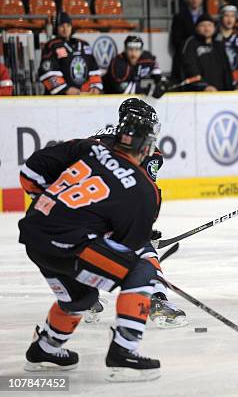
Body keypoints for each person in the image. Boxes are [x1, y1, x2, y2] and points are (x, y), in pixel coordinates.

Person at [18, 107, 162, 381]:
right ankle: (124, 350)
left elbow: (30, 173)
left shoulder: (88, 148)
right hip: (70, 245)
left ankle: (45, 349)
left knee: (82, 297)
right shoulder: (143, 190)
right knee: (142, 270)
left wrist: (53, 207)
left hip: (34, 234)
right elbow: (128, 246)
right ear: (146, 148)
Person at [87, 98, 187, 328]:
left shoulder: (96, 138)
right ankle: (157, 300)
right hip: (111, 211)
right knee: (144, 251)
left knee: (88, 249)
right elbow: (145, 192)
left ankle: (84, 297)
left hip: (76, 211)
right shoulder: (146, 148)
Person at [38, 12, 103, 95]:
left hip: (84, 97)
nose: (65, 29)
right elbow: (47, 71)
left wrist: (95, 87)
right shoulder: (51, 46)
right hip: (59, 100)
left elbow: (94, 70)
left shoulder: (84, 45)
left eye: (68, 26)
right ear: (56, 28)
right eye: (62, 26)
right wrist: (66, 89)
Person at [181, 13, 233, 91]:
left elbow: (226, 69)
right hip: (199, 93)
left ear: (214, 28)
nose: (206, 28)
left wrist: (230, 87)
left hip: (221, 93)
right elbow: (190, 67)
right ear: (197, 28)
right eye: (202, 25)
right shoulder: (191, 43)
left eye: (209, 25)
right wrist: (203, 86)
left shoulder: (219, 44)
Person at [170, 0, 206, 80]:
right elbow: (176, 40)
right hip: (184, 59)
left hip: (204, 58)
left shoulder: (207, 16)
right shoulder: (179, 17)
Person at [217, 5, 238, 86]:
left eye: (232, 16)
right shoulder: (213, 37)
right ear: (221, 17)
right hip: (217, 82)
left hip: (236, 83)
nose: (229, 19)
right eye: (226, 16)